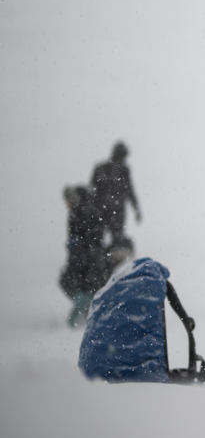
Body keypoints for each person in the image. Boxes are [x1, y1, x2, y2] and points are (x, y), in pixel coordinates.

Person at [59, 184, 112, 327]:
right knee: (81, 287)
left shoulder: (88, 211)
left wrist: (81, 243)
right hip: (83, 258)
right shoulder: (75, 213)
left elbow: (98, 234)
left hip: (91, 258)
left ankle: (82, 321)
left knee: (86, 288)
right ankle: (86, 317)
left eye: (69, 200)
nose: (68, 204)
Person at [90, 140, 140, 251]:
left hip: (103, 209)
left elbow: (92, 191)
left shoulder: (101, 168)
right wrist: (136, 209)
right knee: (113, 238)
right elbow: (130, 191)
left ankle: (100, 260)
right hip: (114, 210)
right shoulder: (122, 170)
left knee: (100, 238)